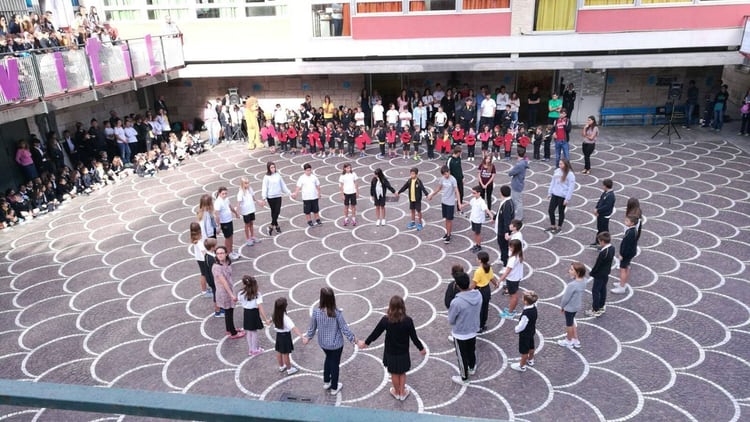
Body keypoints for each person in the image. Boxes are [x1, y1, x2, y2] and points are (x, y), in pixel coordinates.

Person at [361, 295, 427, 401]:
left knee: (394, 373)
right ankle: (402, 392)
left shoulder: (385, 320)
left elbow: (376, 333)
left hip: (390, 352)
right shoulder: (408, 321)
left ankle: (396, 392)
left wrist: (366, 343)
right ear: (403, 307)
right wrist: (421, 348)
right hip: (403, 352)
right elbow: (414, 337)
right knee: (402, 372)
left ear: (390, 307)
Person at [302, 287, 362, 395]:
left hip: (323, 344)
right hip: (336, 345)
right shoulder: (337, 313)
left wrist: (308, 338)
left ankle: (326, 382)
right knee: (334, 364)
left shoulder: (316, 312)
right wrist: (355, 340)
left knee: (328, 359)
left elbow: (312, 328)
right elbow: (345, 329)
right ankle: (334, 387)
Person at [448, 272, 482, 385]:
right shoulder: (478, 295)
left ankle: (464, 378)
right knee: (471, 350)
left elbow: (451, 320)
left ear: (457, 286)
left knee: (461, 356)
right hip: (473, 329)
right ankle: (472, 367)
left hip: (460, 333)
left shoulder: (456, 302)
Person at [212, 246, 244, 339]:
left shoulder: (226, 262)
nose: (220, 255)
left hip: (229, 289)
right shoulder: (217, 267)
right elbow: (224, 282)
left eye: (222, 253)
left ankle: (229, 329)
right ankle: (233, 333)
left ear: (226, 253)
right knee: (229, 311)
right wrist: (232, 295)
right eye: (218, 253)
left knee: (229, 311)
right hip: (224, 292)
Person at [428, 165, 462, 244]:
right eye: (444, 174)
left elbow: (457, 191)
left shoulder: (453, 180)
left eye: (447, 174)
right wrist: (431, 195)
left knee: (449, 219)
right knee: (446, 219)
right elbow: (439, 188)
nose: (446, 175)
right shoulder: (442, 179)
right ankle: (447, 233)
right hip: (444, 201)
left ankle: (449, 235)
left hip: (450, 202)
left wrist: (459, 202)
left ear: (449, 172)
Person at [238, 275, 270, 356]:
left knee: (249, 331)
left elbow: (240, 301)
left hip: (246, 313)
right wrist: (265, 319)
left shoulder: (241, 293)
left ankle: (251, 349)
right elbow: (260, 308)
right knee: (254, 332)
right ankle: (255, 350)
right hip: (254, 313)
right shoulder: (257, 294)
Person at [558, 262, 587, 349]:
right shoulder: (584, 281)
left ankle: (568, 341)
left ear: (577, 273)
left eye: (571, 270)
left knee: (569, 324)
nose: (569, 271)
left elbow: (565, 299)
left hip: (570, 308)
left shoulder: (572, 285)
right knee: (572, 322)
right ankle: (575, 339)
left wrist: (562, 306)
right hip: (576, 306)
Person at [585, 232, 615, 317]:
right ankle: (602, 305)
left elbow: (597, 265)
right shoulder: (612, 248)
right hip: (606, 273)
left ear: (602, 241)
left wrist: (592, 273)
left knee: (595, 291)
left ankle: (595, 309)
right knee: (603, 289)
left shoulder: (603, 252)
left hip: (599, 274)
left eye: (599, 241)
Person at [272, 297, 303, 375]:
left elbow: (270, 319)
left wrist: (268, 321)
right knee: (286, 353)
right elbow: (294, 328)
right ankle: (289, 369)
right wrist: (302, 336)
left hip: (278, 335)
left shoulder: (275, 314)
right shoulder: (285, 318)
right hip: (285, 337)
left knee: (279, 351)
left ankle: (281, 366)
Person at [471, 251, 499, 333]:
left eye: (477, 258)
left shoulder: (478, 271)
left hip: (479, 290)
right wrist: (496, 284)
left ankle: (478, 326)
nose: (476, 259)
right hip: (486, 290)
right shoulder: (488, 268)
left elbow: (474, 284)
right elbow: (491, 278)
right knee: (485, 308)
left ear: (480, 260)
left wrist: (466, 292)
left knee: (479, 310)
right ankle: (482, 325)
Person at [545, 159, 575, 234]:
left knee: (561, 212)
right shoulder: (557, 171)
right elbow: (553, 182)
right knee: (550, 210)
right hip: (555, 194)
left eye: (561, 164)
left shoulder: (570, 174)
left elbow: (571, 188)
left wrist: (567, 199)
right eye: (559, 163)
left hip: (562, 196)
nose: (560, 165)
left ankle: (559, 227)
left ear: (565, 165)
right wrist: (549, 193)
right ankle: (553, 225)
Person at [511, 291, 539, 372]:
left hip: (525, 334)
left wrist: (516, 329)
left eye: (523, 298)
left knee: (524, 350)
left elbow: (522, 326)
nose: (522, 299)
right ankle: (530, 360)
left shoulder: (526, 314)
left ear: (526, 302)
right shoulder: (534, 307)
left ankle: (522, 366)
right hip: (531, 331)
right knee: (531, 346)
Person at [261, 161, 291, 235]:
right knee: (274, 211)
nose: (273, 168)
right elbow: (264, 187)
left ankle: (271, 226)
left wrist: (289, 192)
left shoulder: (278, 175)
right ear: (268, 168)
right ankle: (277, 226)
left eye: (274, 167)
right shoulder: (266, 177)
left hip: (278, 196)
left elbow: (283, 185)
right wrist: (264, 198)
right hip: (270, 197)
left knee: (277, 211)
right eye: (271, 167)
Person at [612, 215, 639, 294]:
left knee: (622, 269)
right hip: (630, 253)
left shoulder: (630, 232)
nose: (625, 222)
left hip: (626, 254)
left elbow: (626, 245)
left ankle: (622, 287)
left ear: (632, 223)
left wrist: (622, 254)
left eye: (627, 221)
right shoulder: (633, 231)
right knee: (626, 267)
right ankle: (623, 283)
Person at [497, 239, 524, 319]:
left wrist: (499, 280)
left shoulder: (512, 259)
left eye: (511, 246)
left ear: (515, 248)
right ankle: (511, 310)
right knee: (514, 294)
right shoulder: (520, 254)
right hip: (517, 277)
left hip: (512, 278)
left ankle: (510, 313)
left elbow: (507, 272)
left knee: (513, 295)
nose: (509, 247)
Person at [292, 163, 323, 227]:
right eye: (307, 170)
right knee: (307, 211)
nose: (309, 172)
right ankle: (309, 221)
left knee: (316, 209)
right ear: (304, 170)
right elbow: (298, 187)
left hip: (314, 196)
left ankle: (317, 219)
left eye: (309, 170)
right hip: (306, 197)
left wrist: (319, 194)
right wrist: (295, 193)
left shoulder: (314, 177)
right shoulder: (302, 178)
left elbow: (318, 186)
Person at [214, 186, 240, 260]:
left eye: (226, 193)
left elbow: (230, 207)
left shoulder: (226, 199)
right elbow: (217, 215)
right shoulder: (218, 202)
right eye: (223, 193)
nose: (225, 195)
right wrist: (218, 226)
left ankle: (231, 251)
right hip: (224, 223)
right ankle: (228, 253)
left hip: (229, 220)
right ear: (219, 193)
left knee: (231, 236)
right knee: (227, 238)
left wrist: (236, 213)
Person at [467, 186, 494, 253]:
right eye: (472, 193)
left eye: (474, 193)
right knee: (475, 232)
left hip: (478, 220)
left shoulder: (481, 202)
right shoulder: (473, 199)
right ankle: (476, 244)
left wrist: (492, 217)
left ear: (479, 193)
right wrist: (462, 205)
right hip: (473, 218)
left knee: (477, 233)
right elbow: (469, 203)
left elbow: (486, 209)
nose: (473, 194)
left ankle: (479, 245)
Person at [237, 177, 262, 247]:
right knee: (247, 224)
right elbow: (238, 203)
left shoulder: (250, 189)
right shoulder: (241, 192)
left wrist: (258, 202)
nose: (247, 184)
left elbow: (254, 198)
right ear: (242, 184)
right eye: (245, 183)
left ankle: (253, 236)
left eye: (248, 183)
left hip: (251, 209)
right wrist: (237, 212)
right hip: (245, 211)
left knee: (251, 223)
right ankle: (248, 238)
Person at [590, 178, 615, 248]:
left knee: (604, 230)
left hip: (605, 215)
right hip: (601, 214)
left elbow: (606, 207)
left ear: (606, 186)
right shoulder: (605, 193)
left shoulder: (611, 196)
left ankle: (605, 244)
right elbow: (600, 201)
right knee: (600, 228)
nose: (602, 187)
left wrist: (598, 210)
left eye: (603, 185)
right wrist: (596, 208)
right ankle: (598, 241)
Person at [493, 185, 515, 266]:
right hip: (501, 229)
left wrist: (506, 232)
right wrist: (495, 217)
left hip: (502, 230)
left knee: (504, 246)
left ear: (501, 193)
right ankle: (502, 258)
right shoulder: (506, 202)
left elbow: (507, 219)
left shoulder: (507, 204)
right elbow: (499, 211)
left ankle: (505, 264)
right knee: (502, 245)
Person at [189, 222, 210, 298]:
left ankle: (205, 289)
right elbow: (204, 252)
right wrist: (210, 257)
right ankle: (204, 291)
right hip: (202, 259)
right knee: (204, 274)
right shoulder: (199, 242)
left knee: (204, 273)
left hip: (200, 259)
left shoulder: (195, 239)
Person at [508, 150, 528, 221]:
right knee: (516, 200)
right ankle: (516, 215)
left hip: (517, 184)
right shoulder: (523, 162)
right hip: (519, 183)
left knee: (517, 201)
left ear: (517, 154)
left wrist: (510, 172)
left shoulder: (519, 164)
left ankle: (519, 217)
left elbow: (511, 173)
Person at [203, 238, 221, 317]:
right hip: (213, 280)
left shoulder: (207, 255)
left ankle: (219, 308)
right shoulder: (211, 259)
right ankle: (218, 311)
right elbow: (214, 270)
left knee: (217, 293)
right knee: (216, 294)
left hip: (210, 278)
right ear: (212, 247)